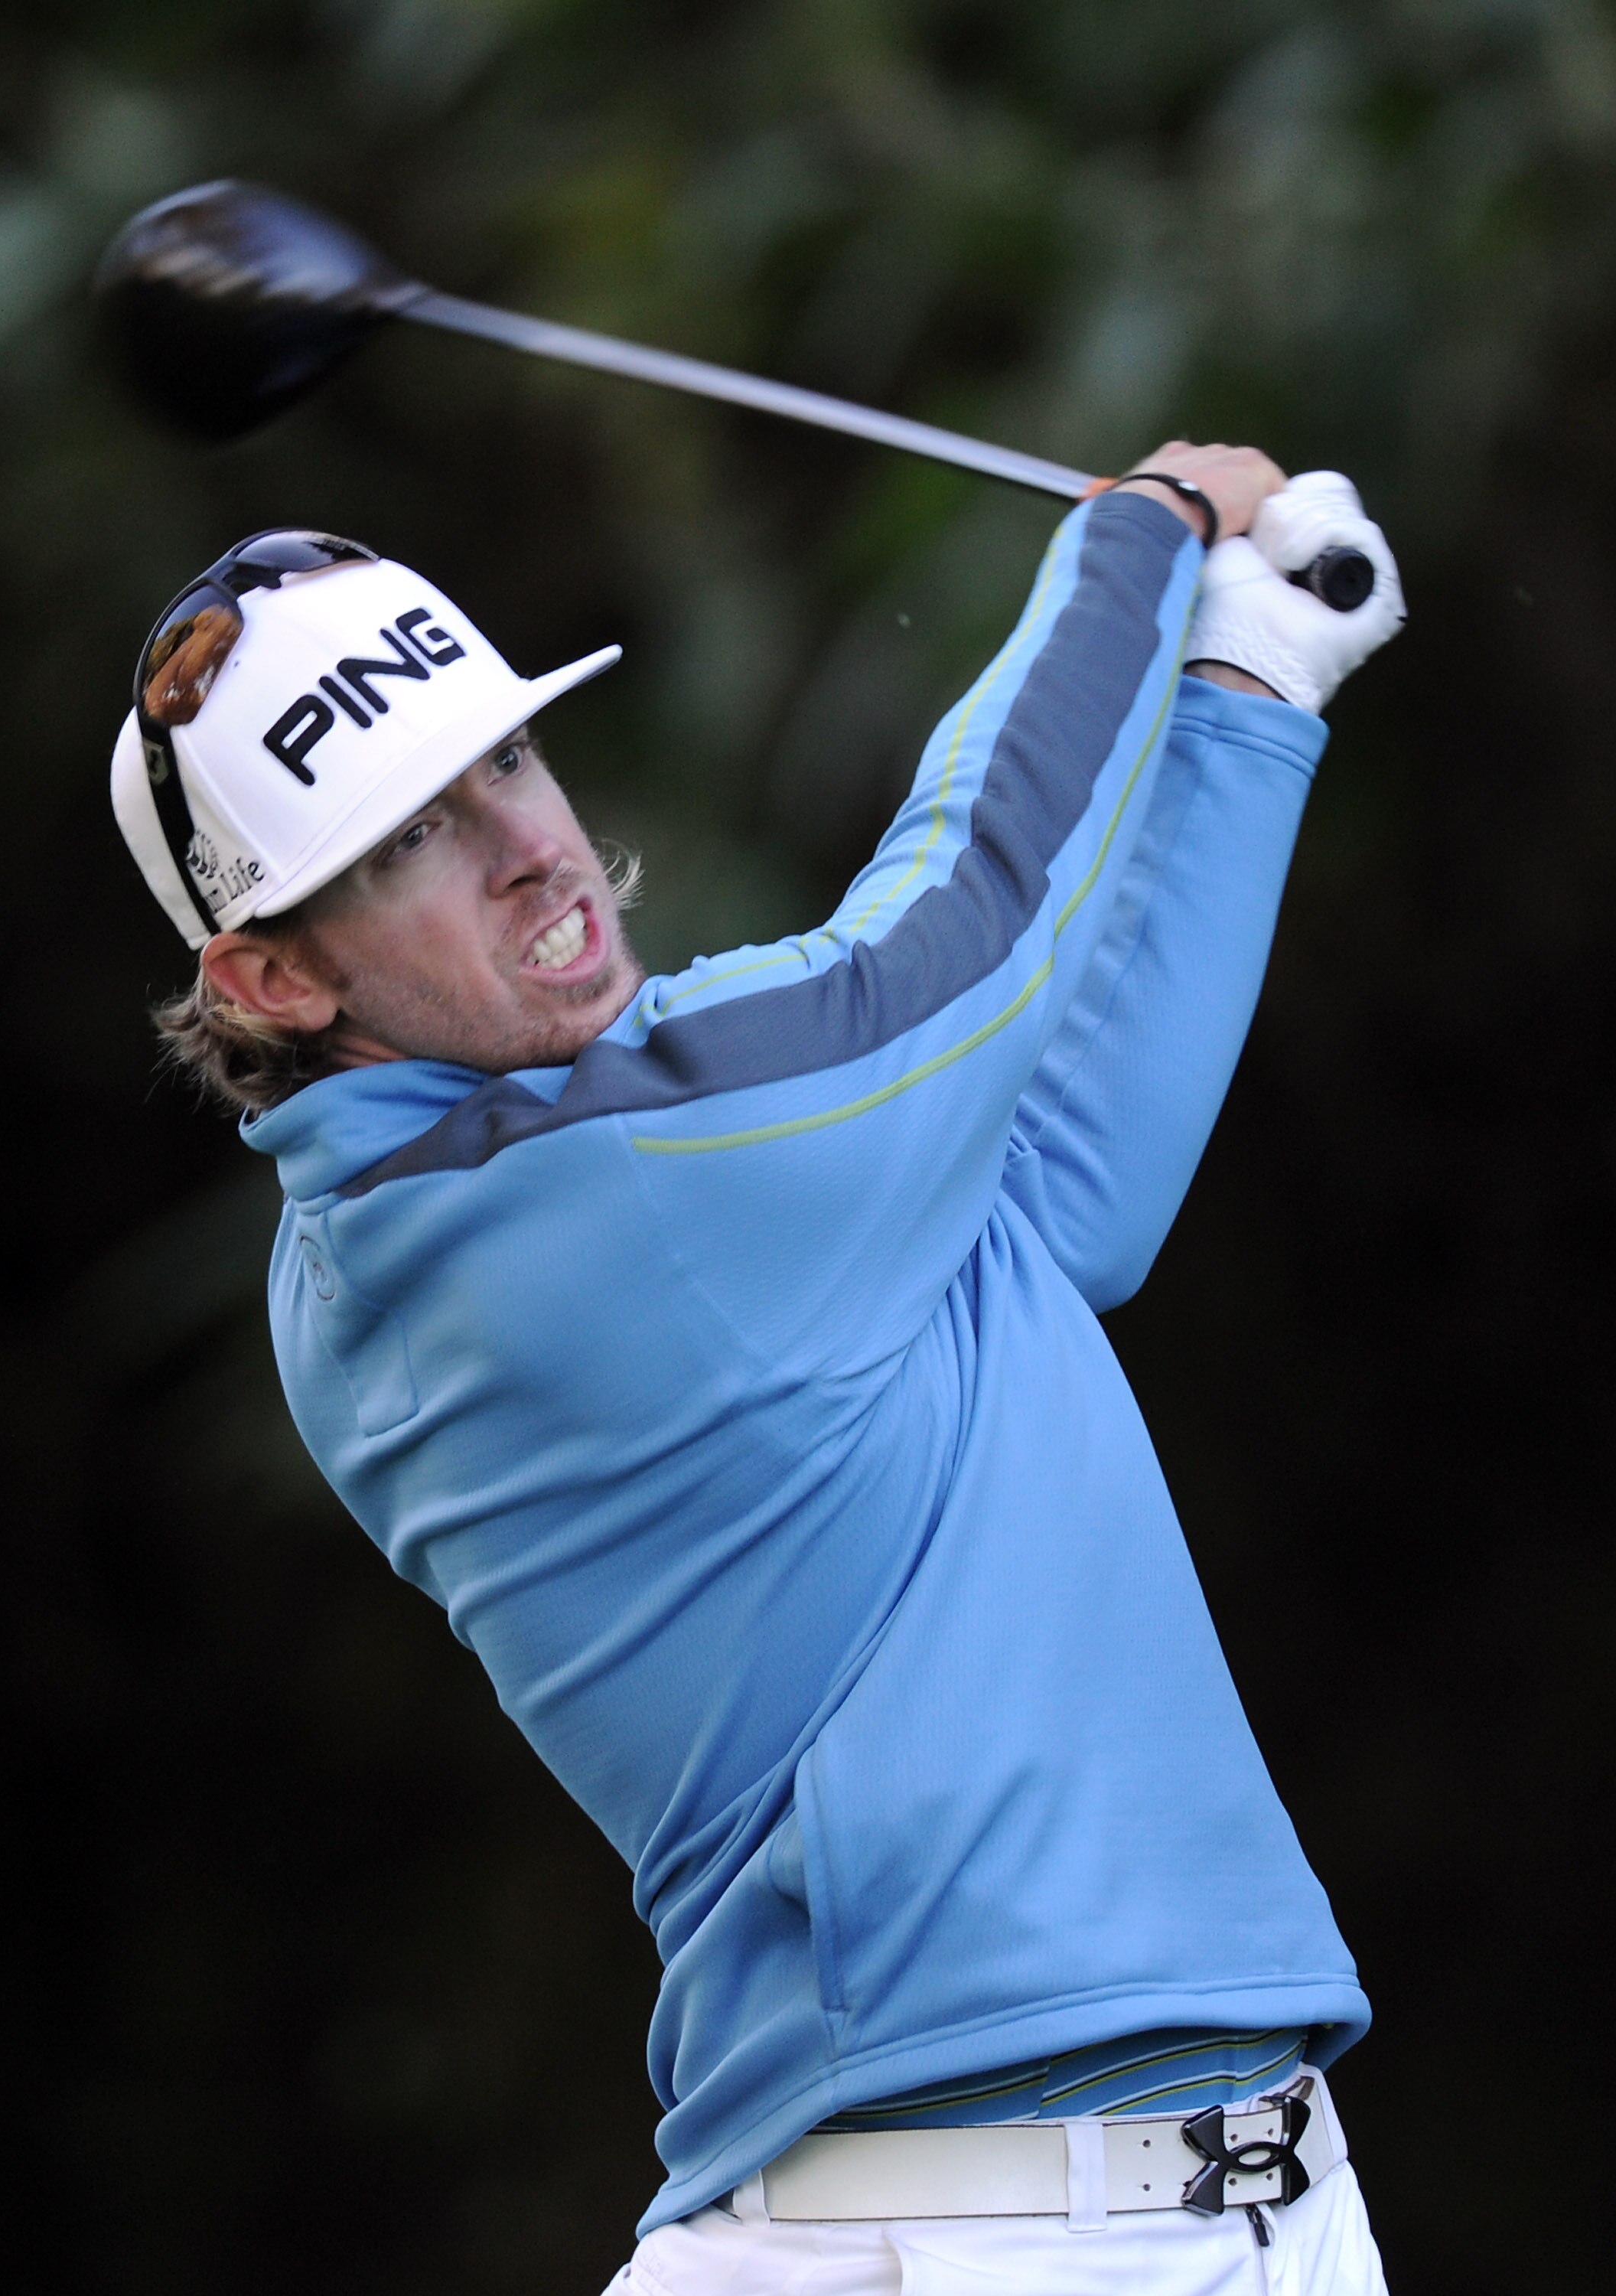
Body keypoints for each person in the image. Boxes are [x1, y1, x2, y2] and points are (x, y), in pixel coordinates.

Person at [110, 444, 1406, 2294]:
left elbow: (1058, 1208)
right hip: (1012, 2230)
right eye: (409, 842)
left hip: (1127, 2204)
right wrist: (1135, 542)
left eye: (509, 763)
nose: (526, 847)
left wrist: (1242, 695)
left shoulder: (408, 1235)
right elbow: (957, 933)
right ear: (268, 982)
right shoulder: (587, 1191)